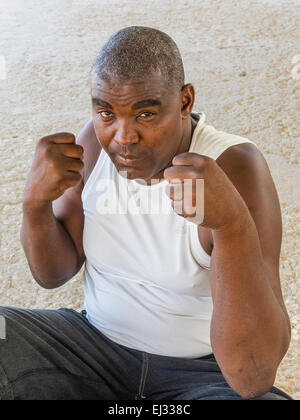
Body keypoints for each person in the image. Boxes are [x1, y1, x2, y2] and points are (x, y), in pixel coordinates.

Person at [0, 26, 292, 400]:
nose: (123, 137)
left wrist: (231, 223)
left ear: (185, 101)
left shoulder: (235, 167)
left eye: (146, 114)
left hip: (202, 374)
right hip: (91, 349)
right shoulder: (93, 141)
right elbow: (53, 273)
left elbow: (252, 375)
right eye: (106, 112)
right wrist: (35, 204)